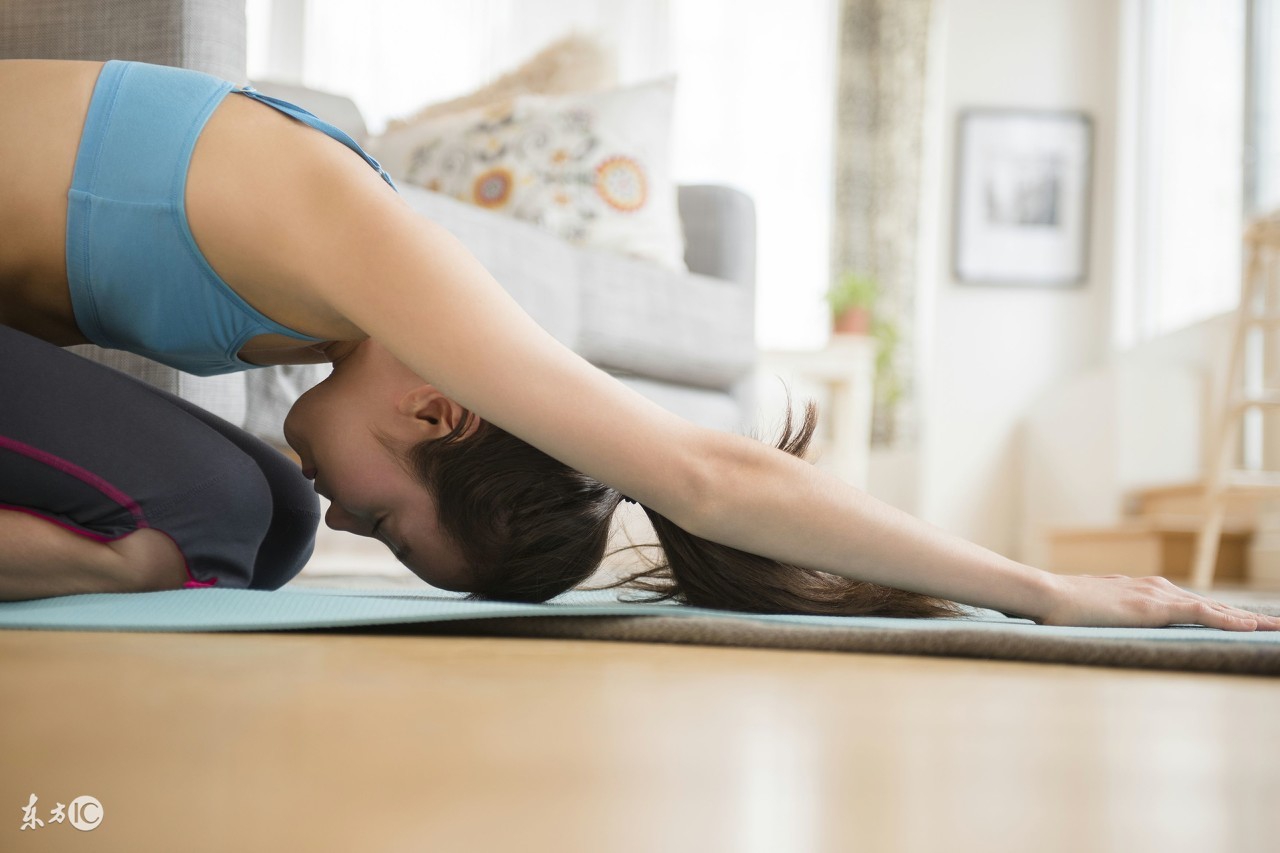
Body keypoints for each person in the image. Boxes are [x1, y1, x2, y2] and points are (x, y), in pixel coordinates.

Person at [0, 58, 1275, 631]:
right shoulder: (378, 255)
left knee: (263, 521)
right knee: (222, 520)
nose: (347, 518)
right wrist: (1044, 589)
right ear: (437, 414)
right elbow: (708, 474)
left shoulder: (342, 307)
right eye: (386, 523)